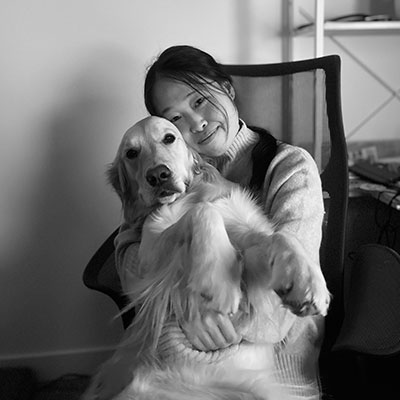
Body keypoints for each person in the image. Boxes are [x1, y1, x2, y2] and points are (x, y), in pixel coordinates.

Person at [115, 45, 325, 399]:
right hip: (172, 372)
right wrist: (184, 310)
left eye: (199, 101)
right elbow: (126, 265)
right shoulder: (165, 177)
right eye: (176, 119)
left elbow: (276, 318)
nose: (196, 123)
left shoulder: (290, 167)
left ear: (226, 88)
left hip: (271, 377)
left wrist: (191, 312)